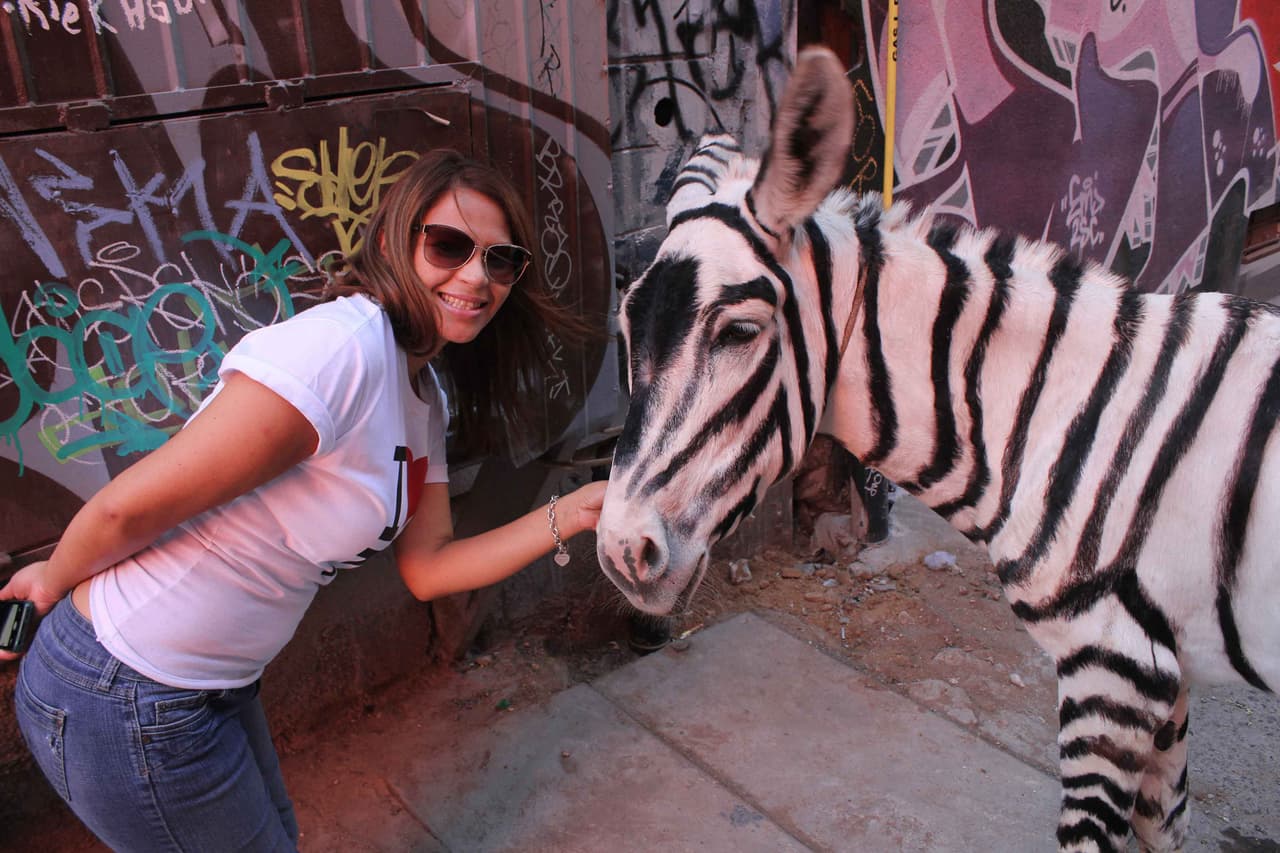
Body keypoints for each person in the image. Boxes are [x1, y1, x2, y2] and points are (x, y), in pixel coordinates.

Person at [0, 149, 607, 851]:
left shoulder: (422, 394)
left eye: (500, 261)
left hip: (210, 686)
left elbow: (429, 566)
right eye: (448, 245)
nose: (476, 276)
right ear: (390, 242)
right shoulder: (341, 352)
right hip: (127, 684)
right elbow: (125, 508)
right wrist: (50, 577)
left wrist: (575, 511)